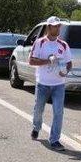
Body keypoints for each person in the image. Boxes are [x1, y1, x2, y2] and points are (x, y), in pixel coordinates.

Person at [29, 16, 72, 152]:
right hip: (42, 83)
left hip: (59, 84)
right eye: (55, 26)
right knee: (38, 110)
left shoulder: (63, 45)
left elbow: (69, 63)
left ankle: (54, 140)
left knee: (58, 112)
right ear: (49, 27)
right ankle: (36, 127)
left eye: (59, 26)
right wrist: (48, 61)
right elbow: (31, 61)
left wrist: (65, 71)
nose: (58, 28)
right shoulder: (40, 43)